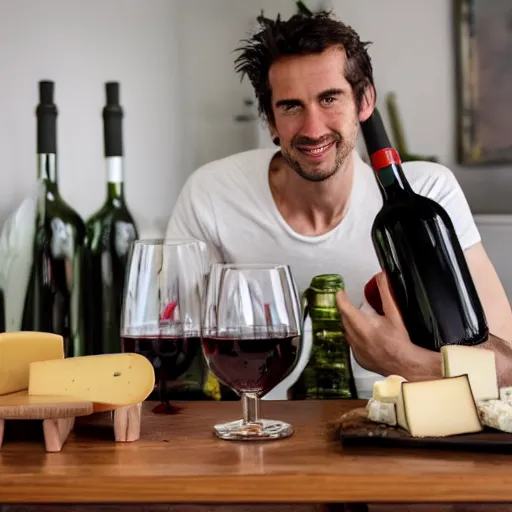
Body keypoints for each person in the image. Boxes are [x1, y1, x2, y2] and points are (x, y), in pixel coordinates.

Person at [166, 10, 512, 396]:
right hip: (259, 434)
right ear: (269, 120)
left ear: (364, 102)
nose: (313, 130)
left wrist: (399, 361)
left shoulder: (428, 195)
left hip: (404, 440)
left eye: (329, 98)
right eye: (291, 106)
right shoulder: (211, 195)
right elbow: (174, 359)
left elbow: (505, 367)